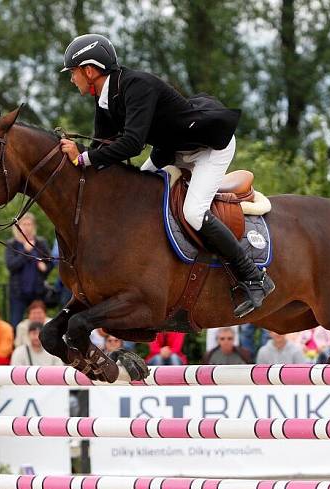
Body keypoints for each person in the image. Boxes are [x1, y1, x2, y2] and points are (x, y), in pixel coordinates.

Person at [58, 33, 274, 318]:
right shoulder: (105, 100)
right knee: (139, 197)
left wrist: (83, 156)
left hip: (208, 149)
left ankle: (253, 277)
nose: (72, 79)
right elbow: (105, 149)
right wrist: (78, 159)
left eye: (73, 72)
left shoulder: (137, 86)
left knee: (194, 212)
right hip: (172, 151)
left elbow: (132, 144)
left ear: (89, 70)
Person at [5, 213, 52, 329]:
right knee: (16, 323)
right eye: (24, 224)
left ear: (34, 226)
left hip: (37, 292)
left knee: (38, 324)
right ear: (18, 226)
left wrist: (45, 267)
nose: (26, 227)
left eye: (29, 224)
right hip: (18, 293)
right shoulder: (12, 244)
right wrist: (25, 252)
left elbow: (50, 262)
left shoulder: (41, 243)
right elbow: (11, 265)